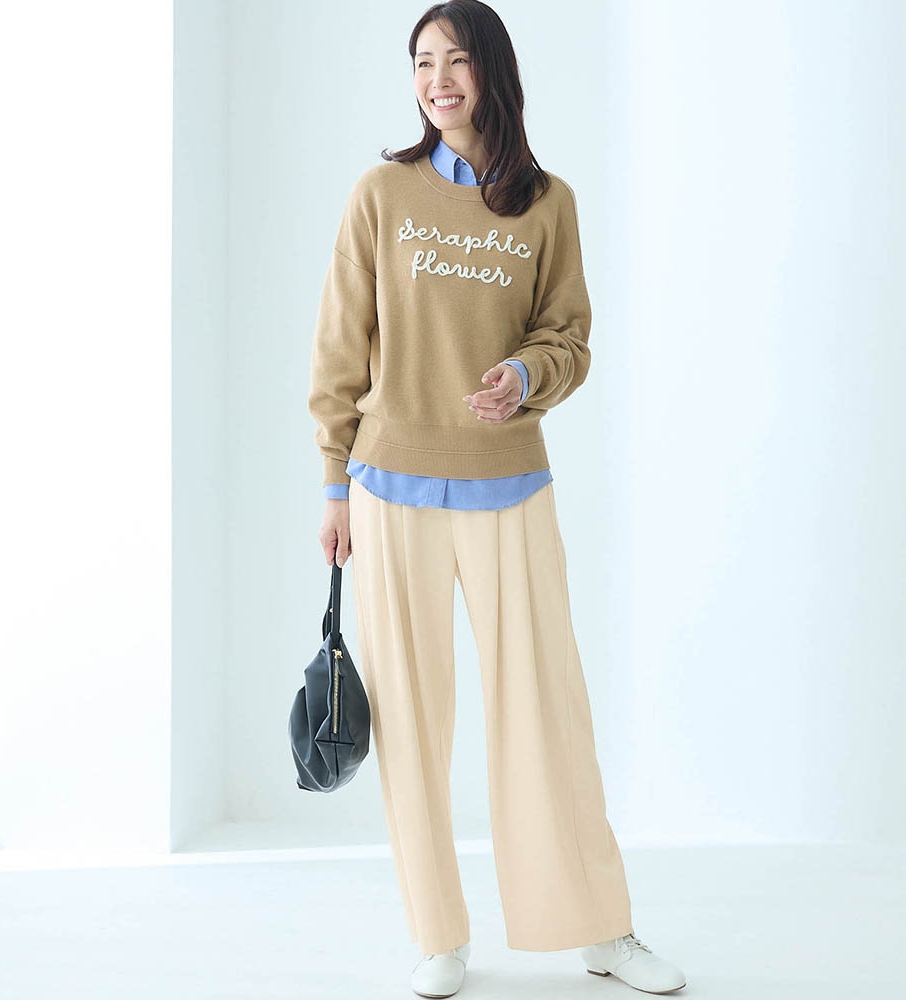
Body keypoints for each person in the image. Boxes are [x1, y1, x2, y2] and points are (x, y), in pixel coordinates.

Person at [307, 2, 687, 996]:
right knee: (411, 720)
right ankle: (438, 936)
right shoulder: (381, 194)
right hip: (388, 487)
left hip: (509, 484)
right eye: (421, 62)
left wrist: (524, 378)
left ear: (493, 73)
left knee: (544, 709)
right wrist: (332, 480)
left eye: (455, 61)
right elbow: (340, 346)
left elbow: (569, 337)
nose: (436, 80)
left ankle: (599, 928)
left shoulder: (548, 204)